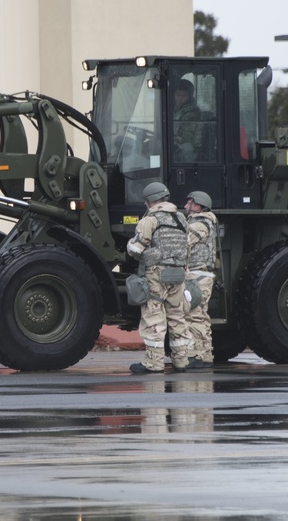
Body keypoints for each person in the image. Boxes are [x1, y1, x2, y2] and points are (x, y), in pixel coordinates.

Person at [126, 182, 192, 374]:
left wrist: (132, 246)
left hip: (157, 275)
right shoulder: (181, 218)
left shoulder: (151, 219)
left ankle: (153, 363)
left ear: (150, 201)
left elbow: (136, 249)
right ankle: (181, 360)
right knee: (177, 316)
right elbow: (186, 248)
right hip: (178, 274)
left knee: (154, 317)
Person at [184, 190, 218, 370]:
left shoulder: (199, 225)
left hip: (198, 276)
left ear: (198, 205)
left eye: (189, 202)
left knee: (193, 314)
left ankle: (195, 355)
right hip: (201, 275)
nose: (185, 206)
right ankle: (205, 354)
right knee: (202, 316)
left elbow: (183, 243)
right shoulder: (205, 223)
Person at [173, 79, 203, 162]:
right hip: (179, 144)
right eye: (178, 95)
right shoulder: (176, 109)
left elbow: (186, 137)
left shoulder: (192, 113)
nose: (180, 98)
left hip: (190, 148)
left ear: (189, 97)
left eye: (183, 96)